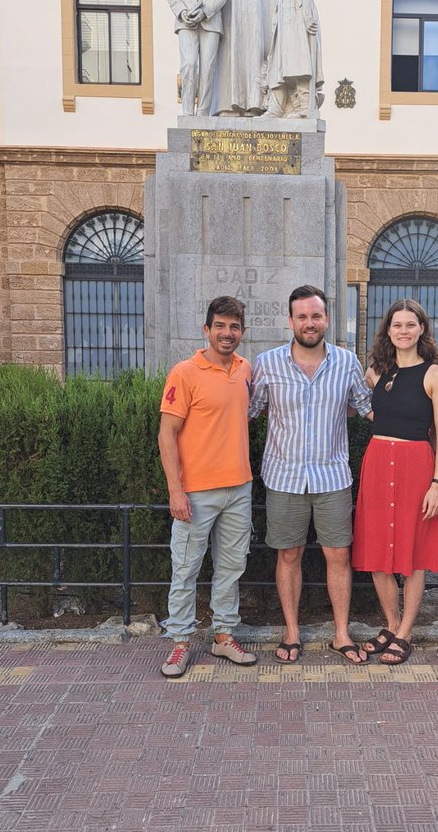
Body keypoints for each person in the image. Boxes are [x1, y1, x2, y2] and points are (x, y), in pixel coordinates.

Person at [249, 285, 372, 665]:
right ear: (290, 321)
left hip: (333, 477)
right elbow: (249, 413)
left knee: (339, 554)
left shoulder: (346, 362)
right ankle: (291, 632)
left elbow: (365, 408)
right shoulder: (267, 363)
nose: (309, 323)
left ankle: (340, 634)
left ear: (326, 319)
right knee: (289, 555)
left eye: (316, 316)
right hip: (284, 477)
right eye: (301, 316)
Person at [158, 296, 256, 678]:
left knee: (231, 568)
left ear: (242, 332)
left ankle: (223, 636)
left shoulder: (246, 369)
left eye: (234, 327)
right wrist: (175, 490)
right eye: (220, 326)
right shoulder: (184, 372)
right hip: (195, 492)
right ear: (206, 329)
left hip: (239, 487)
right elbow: (167, 434)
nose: (227, 333)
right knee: (185, 569)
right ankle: (180, 642)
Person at [351, 300, 438, 665]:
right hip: (378, 464)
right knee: (378, 553)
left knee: (413, 554)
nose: (404, 331)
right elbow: (367, 409)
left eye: (411, 324)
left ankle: (406, 631)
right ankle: (391, 624)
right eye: (397, 325)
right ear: (388, 330)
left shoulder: (435, 374)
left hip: (416, 466)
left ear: (422, 328)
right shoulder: (375, 371)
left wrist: (437, 483)